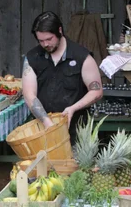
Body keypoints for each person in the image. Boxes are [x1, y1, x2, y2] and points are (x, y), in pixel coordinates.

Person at [22, 11, 103, 145]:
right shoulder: (32, 57)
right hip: (43, 128)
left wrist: (72, 108)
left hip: (77, 131)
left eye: (49, 39)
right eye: (41, 41)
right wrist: (47, 122)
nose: (45, 44)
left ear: (60, 31)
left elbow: (96, 91)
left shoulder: (81, 56)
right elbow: (29, 95)